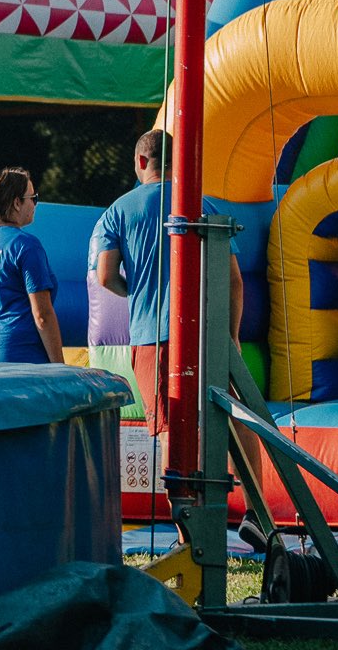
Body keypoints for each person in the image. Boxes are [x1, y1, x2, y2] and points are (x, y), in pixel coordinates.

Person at [95, 128, 242, 431]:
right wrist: (233, 335)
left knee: (170, 430)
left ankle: (176, 481)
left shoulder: (118, 211)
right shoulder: (203, 205)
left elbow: (106, 276)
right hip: (208, 334)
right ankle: (250, 479)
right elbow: (234, 280)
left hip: (153, 335)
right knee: (233, 420)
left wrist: (137, 291)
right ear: (177, 161)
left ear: (140, 160)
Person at [0, 168, 62, 365]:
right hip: (22, 355)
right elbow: (42, 315)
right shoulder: (25, 245)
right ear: (16, 203)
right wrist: (59, 367)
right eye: (33, 198)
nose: (35, 204)